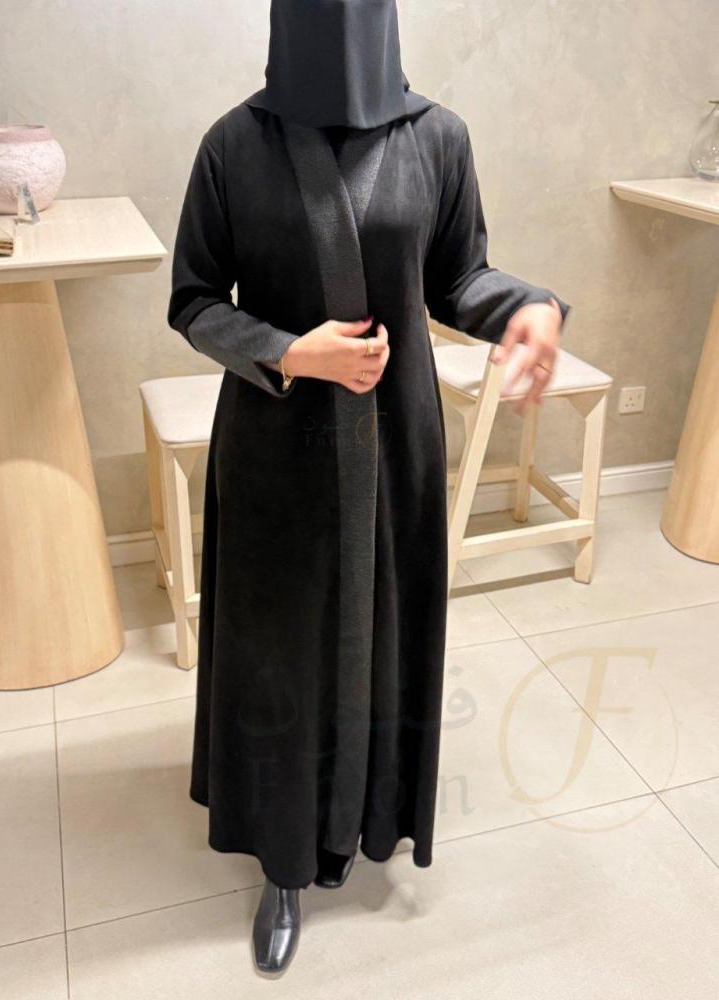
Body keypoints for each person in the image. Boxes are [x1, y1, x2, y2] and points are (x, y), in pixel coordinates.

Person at [167, 0, 569, 976]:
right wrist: (287, 351)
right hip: (277, 451)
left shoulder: (438, 139)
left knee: (382, 629)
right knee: (282, 653)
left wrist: (530, 307)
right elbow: (193, 300)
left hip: (394, 446)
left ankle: (368, 812)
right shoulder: (234, 146)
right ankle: (284, 860)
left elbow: (457, 276)